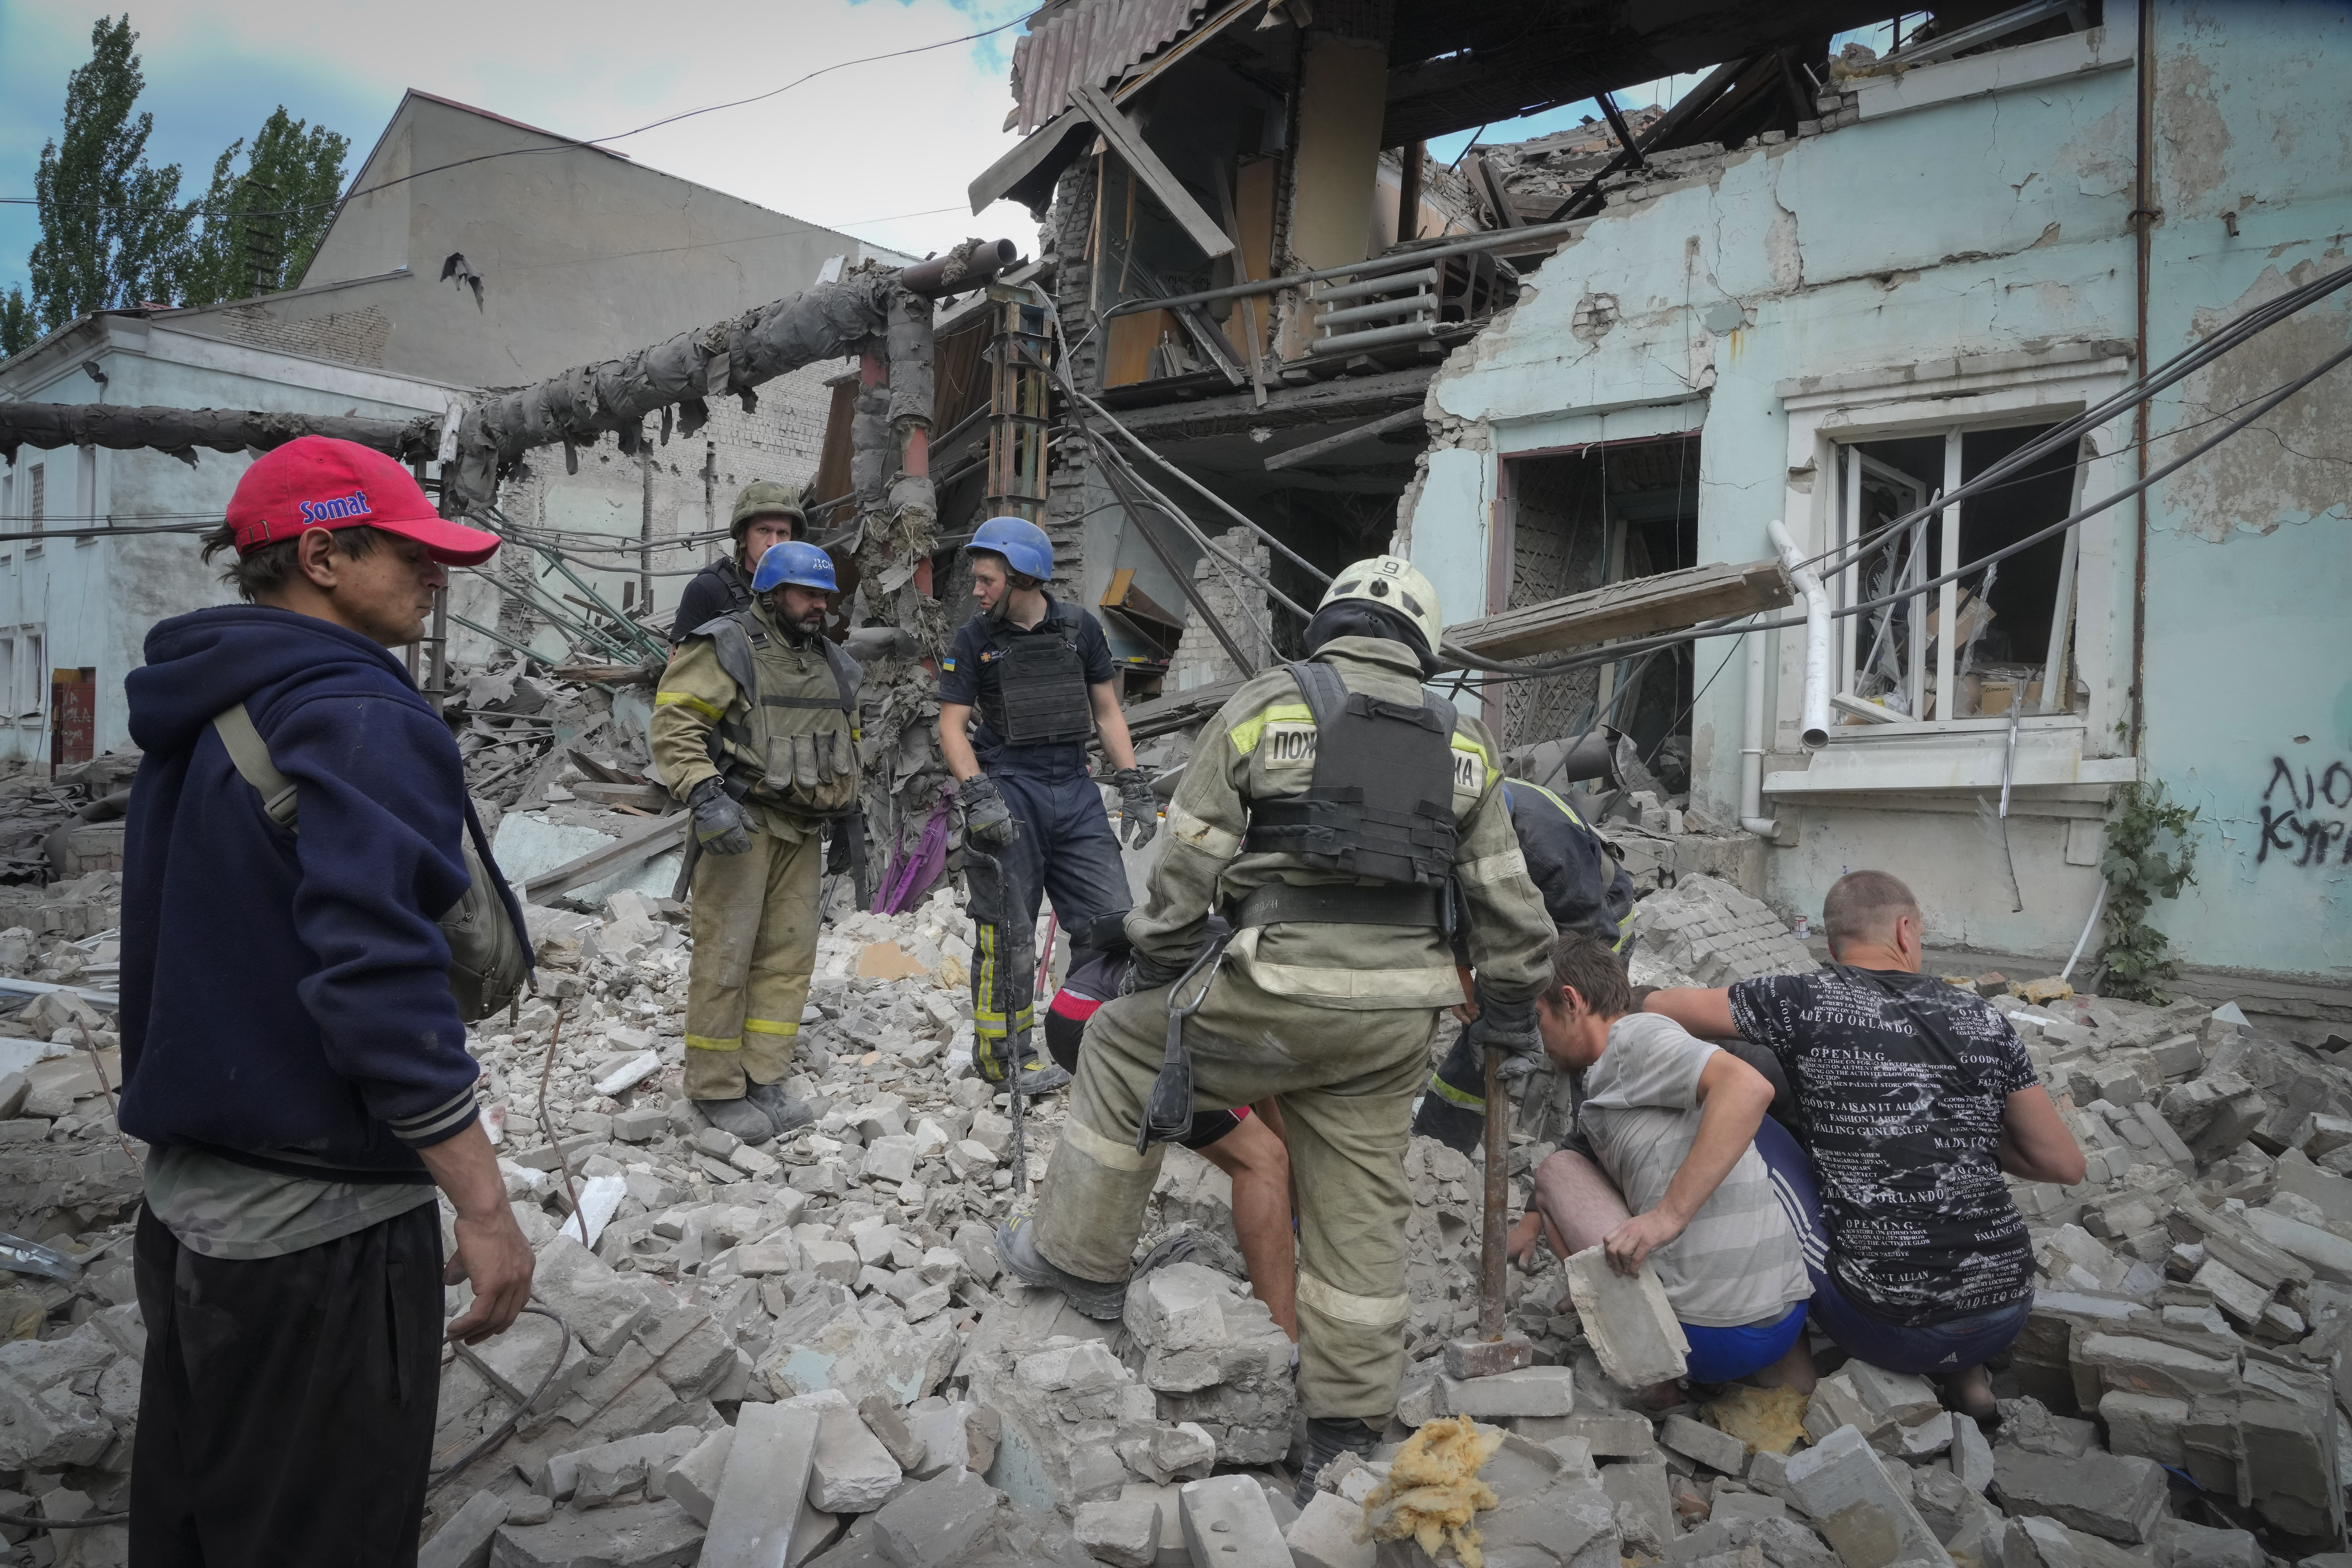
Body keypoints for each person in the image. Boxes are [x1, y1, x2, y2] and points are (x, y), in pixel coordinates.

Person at [994, 554, 1556, 1503]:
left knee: (1126, 1045)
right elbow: (1509, 898)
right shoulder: (1467, 743)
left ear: (1329, 626)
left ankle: (1081, 1260)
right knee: (1360, 1212)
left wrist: (1161, 955)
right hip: (1392, 1024)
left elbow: (1193, 859)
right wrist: (1507, 1006)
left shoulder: (1269, 705)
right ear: (1420, 644)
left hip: (1274, 989)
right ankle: (1343, 1428)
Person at [118, 436, 536, 1566]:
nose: (436, 576)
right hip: (323, 1241)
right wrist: (488, 1211)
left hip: (192, 1216)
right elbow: (379, 993)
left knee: (197, 1527)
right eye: (411, 553)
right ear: (322, 555)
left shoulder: (207, 702)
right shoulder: (361, 713)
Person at [1643, 869, 2085, 1419]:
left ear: (1833, 945)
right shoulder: (1985, 1021)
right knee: (1948, 1200)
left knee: (1749, 1105)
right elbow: (2064, 1164)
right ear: (1905, 931)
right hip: (2005, 1311)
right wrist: (1949, 1133)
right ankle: (1970, 1383)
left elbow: (1662, 1007)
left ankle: (1789, 1372)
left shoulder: (1800, 999)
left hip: (1885, 1330)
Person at [1507, 933, 1814, 1407]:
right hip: (1785, 1320)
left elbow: (1748, 1087)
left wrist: (1668, 1215)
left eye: (1538, 1018)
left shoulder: (1637, 1037)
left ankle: (1656, 1377)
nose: (1536, 1036)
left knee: (1556, 1172)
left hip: (1706, 1339)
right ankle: (1784, 1375)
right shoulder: (1618, 1077)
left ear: (1571, 1002)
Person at [653, 538, 861, 1144]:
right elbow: (675, 723)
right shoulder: (727, 645)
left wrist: (850, 820)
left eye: (825, 595)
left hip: (804, 829)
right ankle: (715, 1089)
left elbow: (846, 746)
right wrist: (703, 794)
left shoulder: (832, 662)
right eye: (807, 593)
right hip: (741, 825)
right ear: (772, 594)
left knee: (789, 958)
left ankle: (764, 1076)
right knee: (727, 955)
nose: (819, 605)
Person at [937, 516, 1155, 1090]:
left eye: (987, 580)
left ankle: (1099, 1047)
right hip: (1009, 787)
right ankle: (1007, 1061)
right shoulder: (975, 639)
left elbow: (1107, 713)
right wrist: (978, 793)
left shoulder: (1080, 630)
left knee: (1111, 925)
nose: (978, 591)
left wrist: (1132, 782)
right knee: (1006, 932)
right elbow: (953, 729)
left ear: (1024, 578)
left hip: (1075, 790)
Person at [1042, 921, 1298, 1340]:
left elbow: (1261, 1089)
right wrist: (1289, 1196)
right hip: (1111, 1024)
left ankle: (1082, 1260)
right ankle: (1284, 1341)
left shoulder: (1232, 931)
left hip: (1070, 1009)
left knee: (1136, 1128)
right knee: (1263, 1160)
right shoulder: (1274, 976)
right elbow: (1268, 1093)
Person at [1414, 775, 1636, 1153]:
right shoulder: (1433, 827)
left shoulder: (1545, 841)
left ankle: (1600, 1153)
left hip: (1590, 929)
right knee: (1485, 1031)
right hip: (1510, 926)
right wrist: (1458, 971)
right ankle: (1440, 1149)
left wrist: (1520, 1012)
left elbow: (1588, 944)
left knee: (1591, 1041)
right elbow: (1442, 899)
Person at [670, 479, 807, 640]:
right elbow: (678, 662)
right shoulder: (708, 589)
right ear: (743, 534)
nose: (774, 543)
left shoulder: (802, 591)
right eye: (764, 530)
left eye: (783, 533)